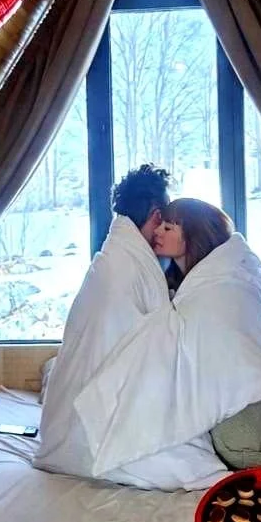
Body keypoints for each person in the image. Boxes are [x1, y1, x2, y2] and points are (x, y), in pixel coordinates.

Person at [72, 199, 261, 484]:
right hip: (237, 418)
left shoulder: (222, 284)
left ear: (193, 233)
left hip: (244, 424)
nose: (159, 232)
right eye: (159, 225)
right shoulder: (189, 283)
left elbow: (230, 342)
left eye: (169, 226)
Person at [35, 163, 206, 481]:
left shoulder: (112, 258)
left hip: (59, 425)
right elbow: (162, 346)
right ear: (155, 214)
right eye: (164, 220)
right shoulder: (128, 265)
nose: (163, 229)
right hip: (96, 418)